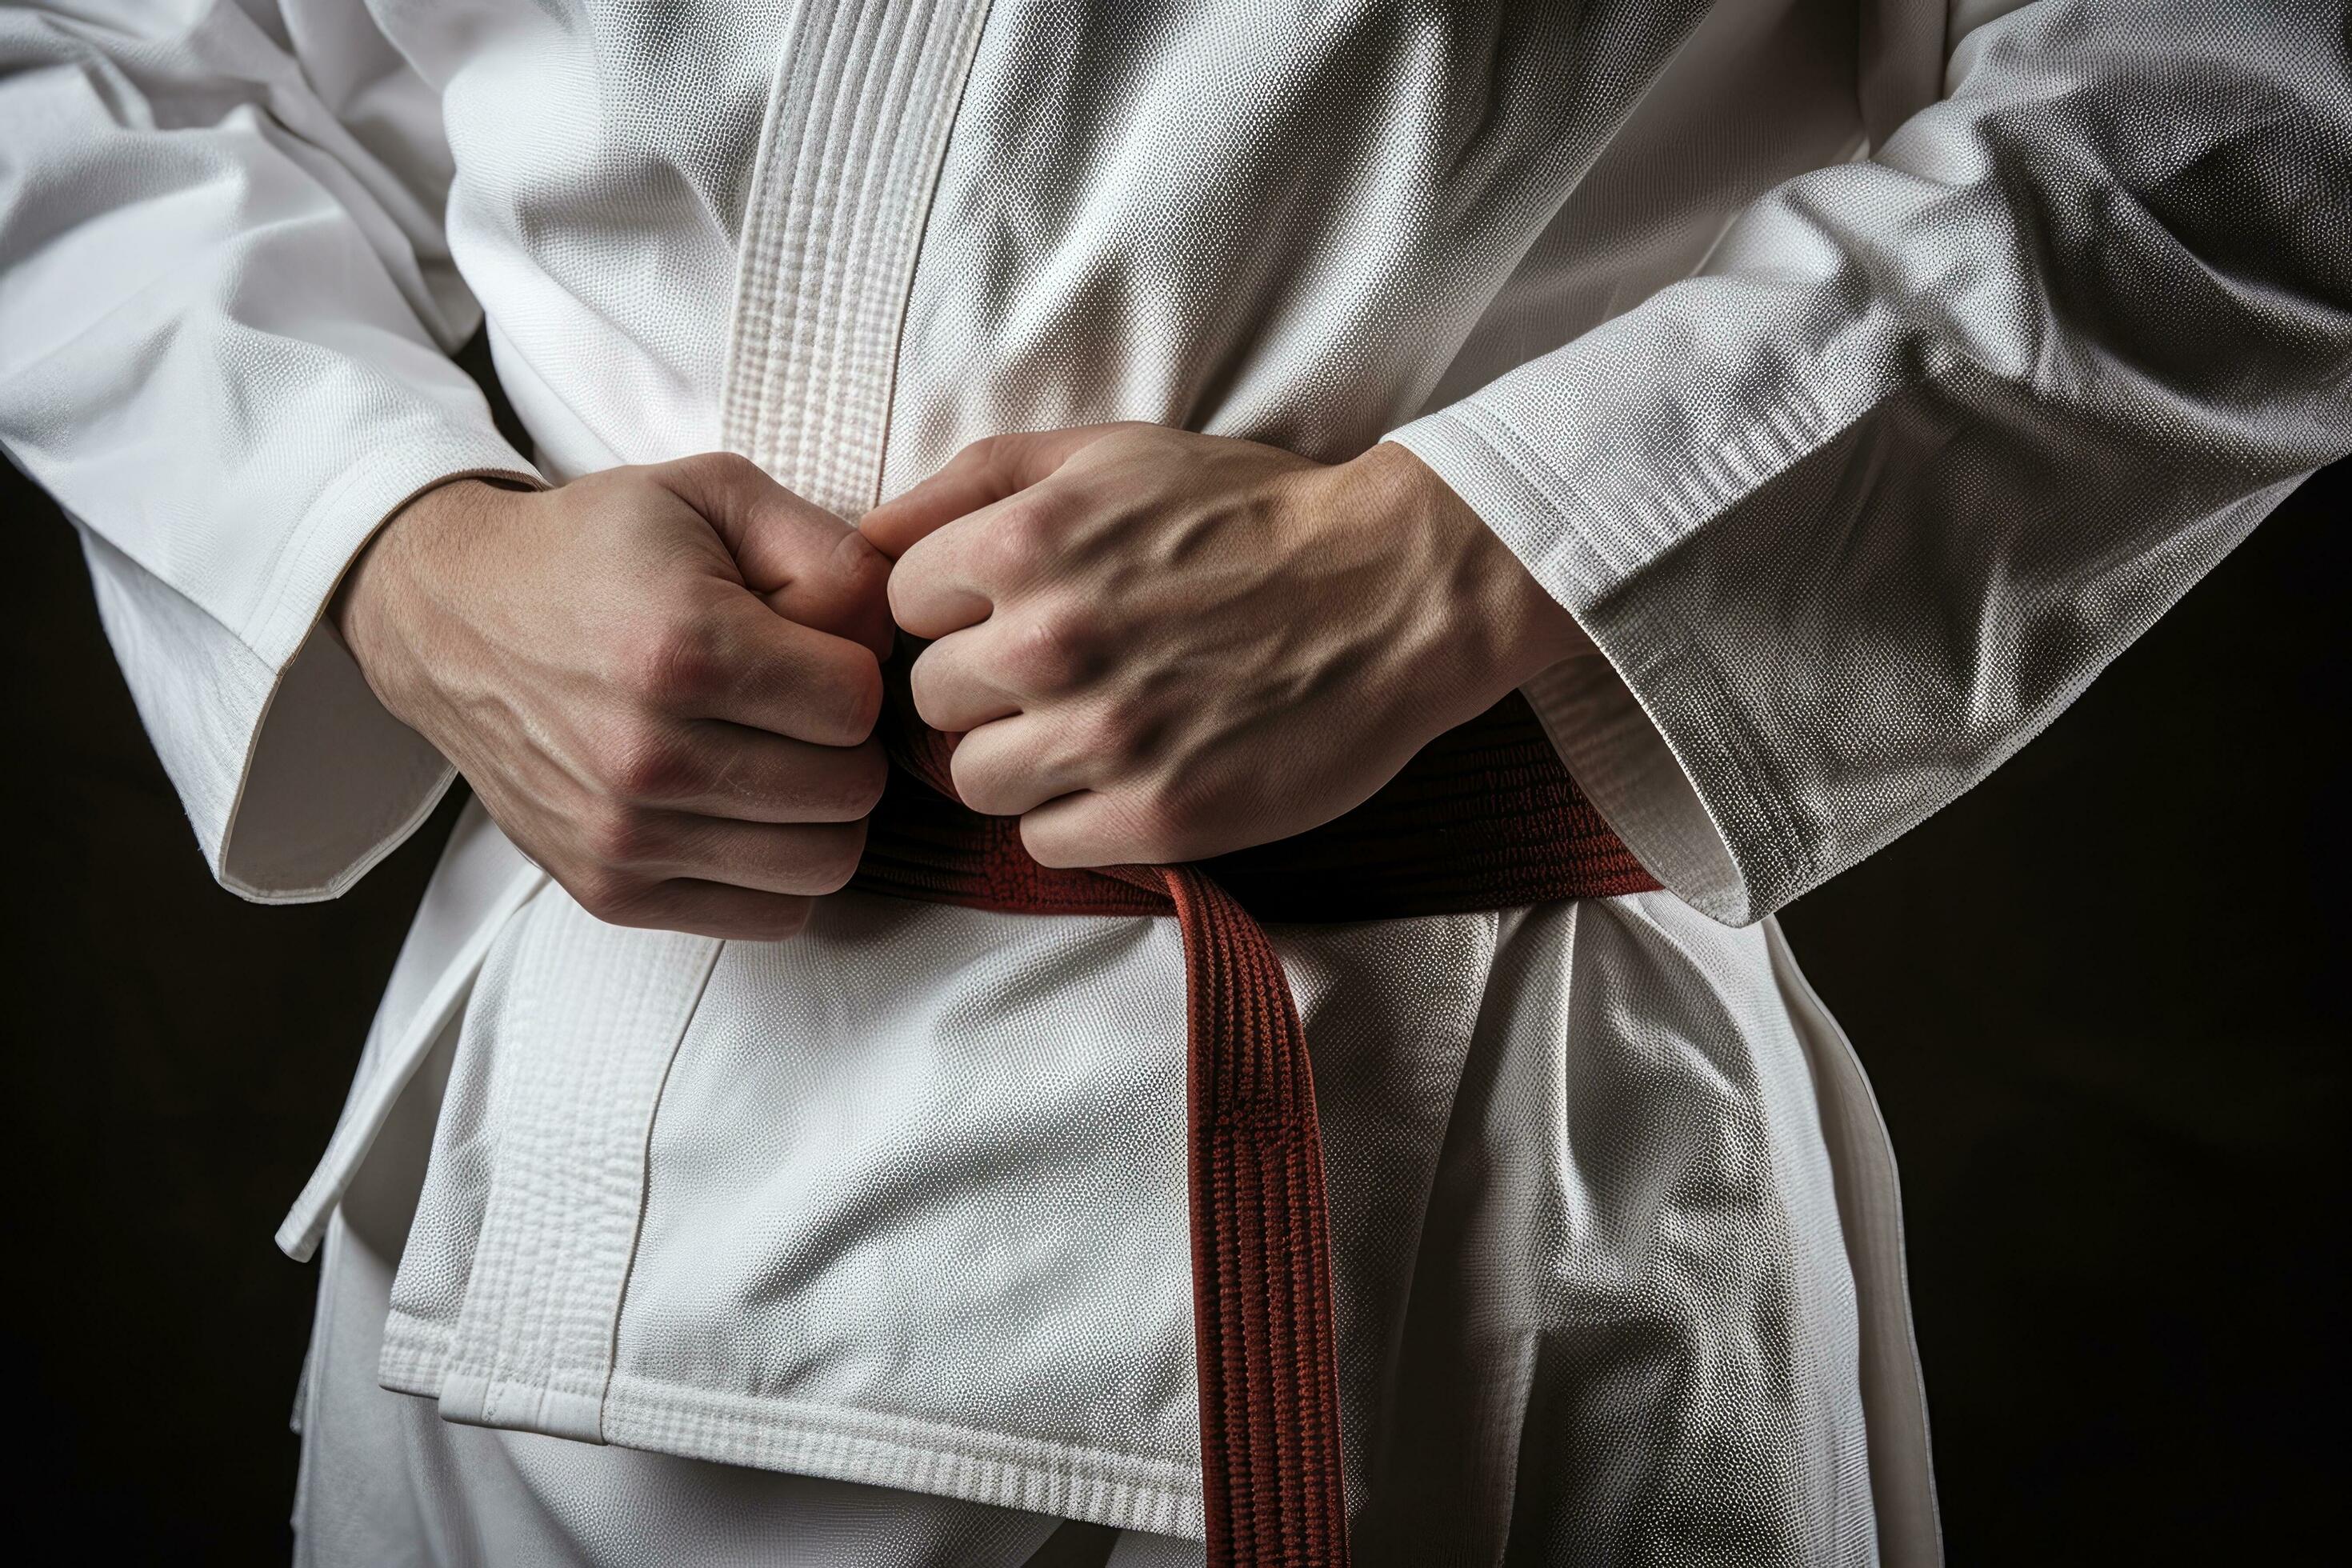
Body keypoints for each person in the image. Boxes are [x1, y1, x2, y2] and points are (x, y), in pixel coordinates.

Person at [3, 0, 2344, 1562]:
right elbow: (90, 52)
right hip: (558, 1227)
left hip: (1448, 1201)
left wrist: (1475, 549)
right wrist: (392, 548)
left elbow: (2255, 91)